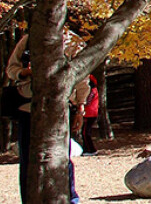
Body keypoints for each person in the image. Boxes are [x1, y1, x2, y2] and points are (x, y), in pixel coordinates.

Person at [7, 31, 89, 204]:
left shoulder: (73, 42)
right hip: (28, 108)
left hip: (59, 109)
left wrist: (81, 107)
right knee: (28, 161)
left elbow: (82, 77)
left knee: (61, 158)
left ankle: (69, 197)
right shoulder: (29, 40)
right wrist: (25, 72)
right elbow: (11, 70)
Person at [79, 75, 100, 155]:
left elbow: (88, 102)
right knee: (85, 132)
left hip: (90, 114)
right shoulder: (94, 90)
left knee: (85, 133)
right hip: (91, 113)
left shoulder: (92, 91)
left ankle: (91, 150)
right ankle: (86, 149)